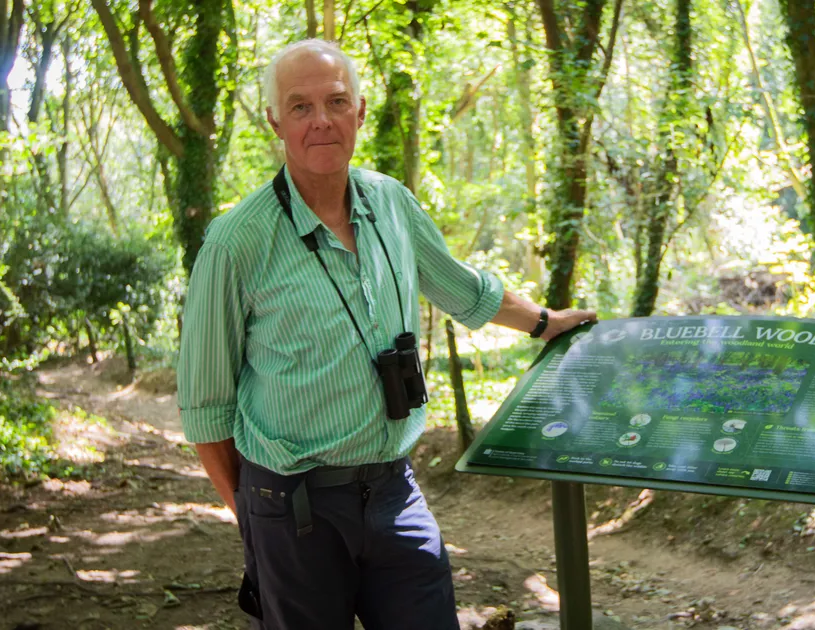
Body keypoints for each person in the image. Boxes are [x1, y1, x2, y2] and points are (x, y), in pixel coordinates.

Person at [176, 39, 595, 629]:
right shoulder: (235, 242)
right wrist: (255, 517)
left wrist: (545, 322)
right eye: (300, 106)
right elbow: (206, 410)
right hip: (292, 504)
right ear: (274, 119)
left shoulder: (391, 203)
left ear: (361, 110)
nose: (321, 120)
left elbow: (463, 289)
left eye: (336, 101)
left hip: (394, 490)